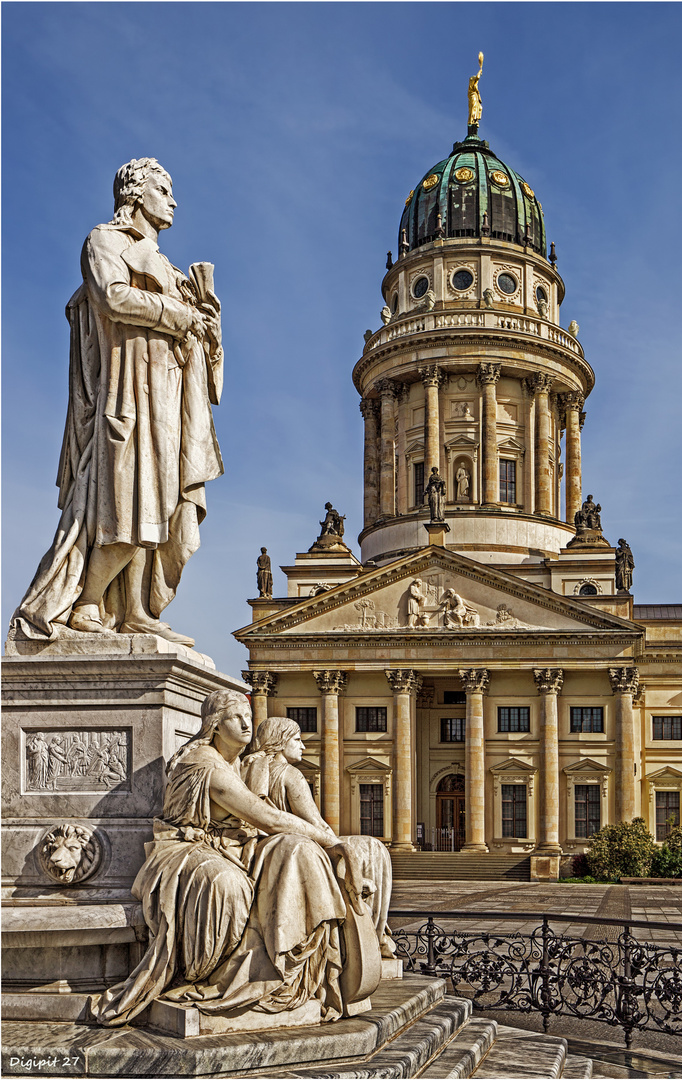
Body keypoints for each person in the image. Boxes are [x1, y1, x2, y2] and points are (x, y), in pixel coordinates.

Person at [12, 158, 223, 648]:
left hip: (172, 396)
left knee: (172, 515)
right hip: (129, 389)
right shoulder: (105, 240)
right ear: (135, 192)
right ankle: (88, 600)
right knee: (130, 504)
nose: (173, 200)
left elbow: (205, 359)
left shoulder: (172, 269)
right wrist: (179, 313)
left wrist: (209, 326)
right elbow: (112, 296)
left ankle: (134, 610)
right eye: (164, 189)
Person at [91, 690, 365, 1027]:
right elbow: (268, 818)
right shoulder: (202, 762)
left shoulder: (243, 764)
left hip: (236, 845)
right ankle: (208, 976)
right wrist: (334, 841)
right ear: (215, 725)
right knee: (229, 884)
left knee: (299, 851)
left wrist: (323, 845)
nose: (248, 724)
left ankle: (292, 971)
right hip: (186, 849)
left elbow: (270, 821)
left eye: (249, 716)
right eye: (237, 717)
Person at [241, 716, 396, 959]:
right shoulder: (289, 774)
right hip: (299, 846)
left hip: (264, 846)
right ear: (280, 742)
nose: (303, 746)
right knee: (373, 847)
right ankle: (373, 938)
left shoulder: (248, 769)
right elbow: (317, 824)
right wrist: (339, 847)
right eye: (297, 739)